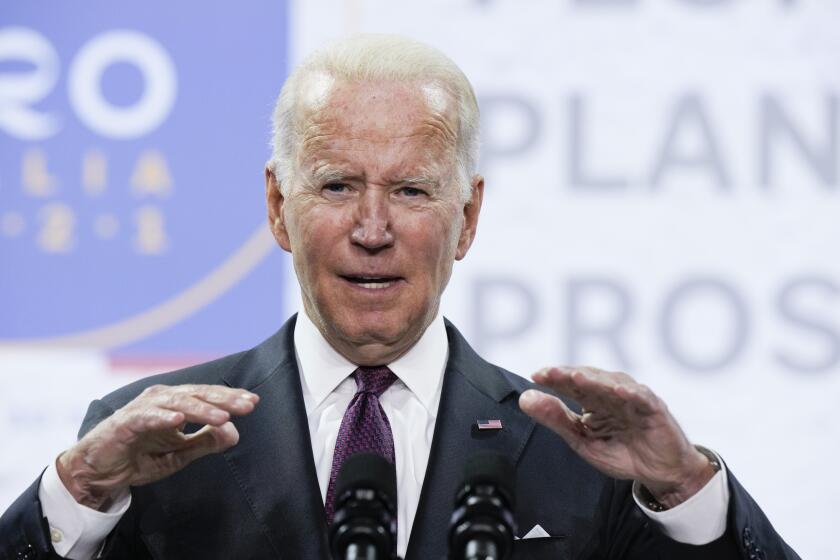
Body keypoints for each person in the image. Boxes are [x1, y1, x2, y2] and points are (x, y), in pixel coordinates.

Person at [0, 34, 798, 560]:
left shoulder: (582, 454)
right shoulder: (145, 443)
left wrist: (689, 493)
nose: (372, 228)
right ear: (278, 207)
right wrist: (76, 497)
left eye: (412, 190)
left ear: (468, 217)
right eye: (338, 184)